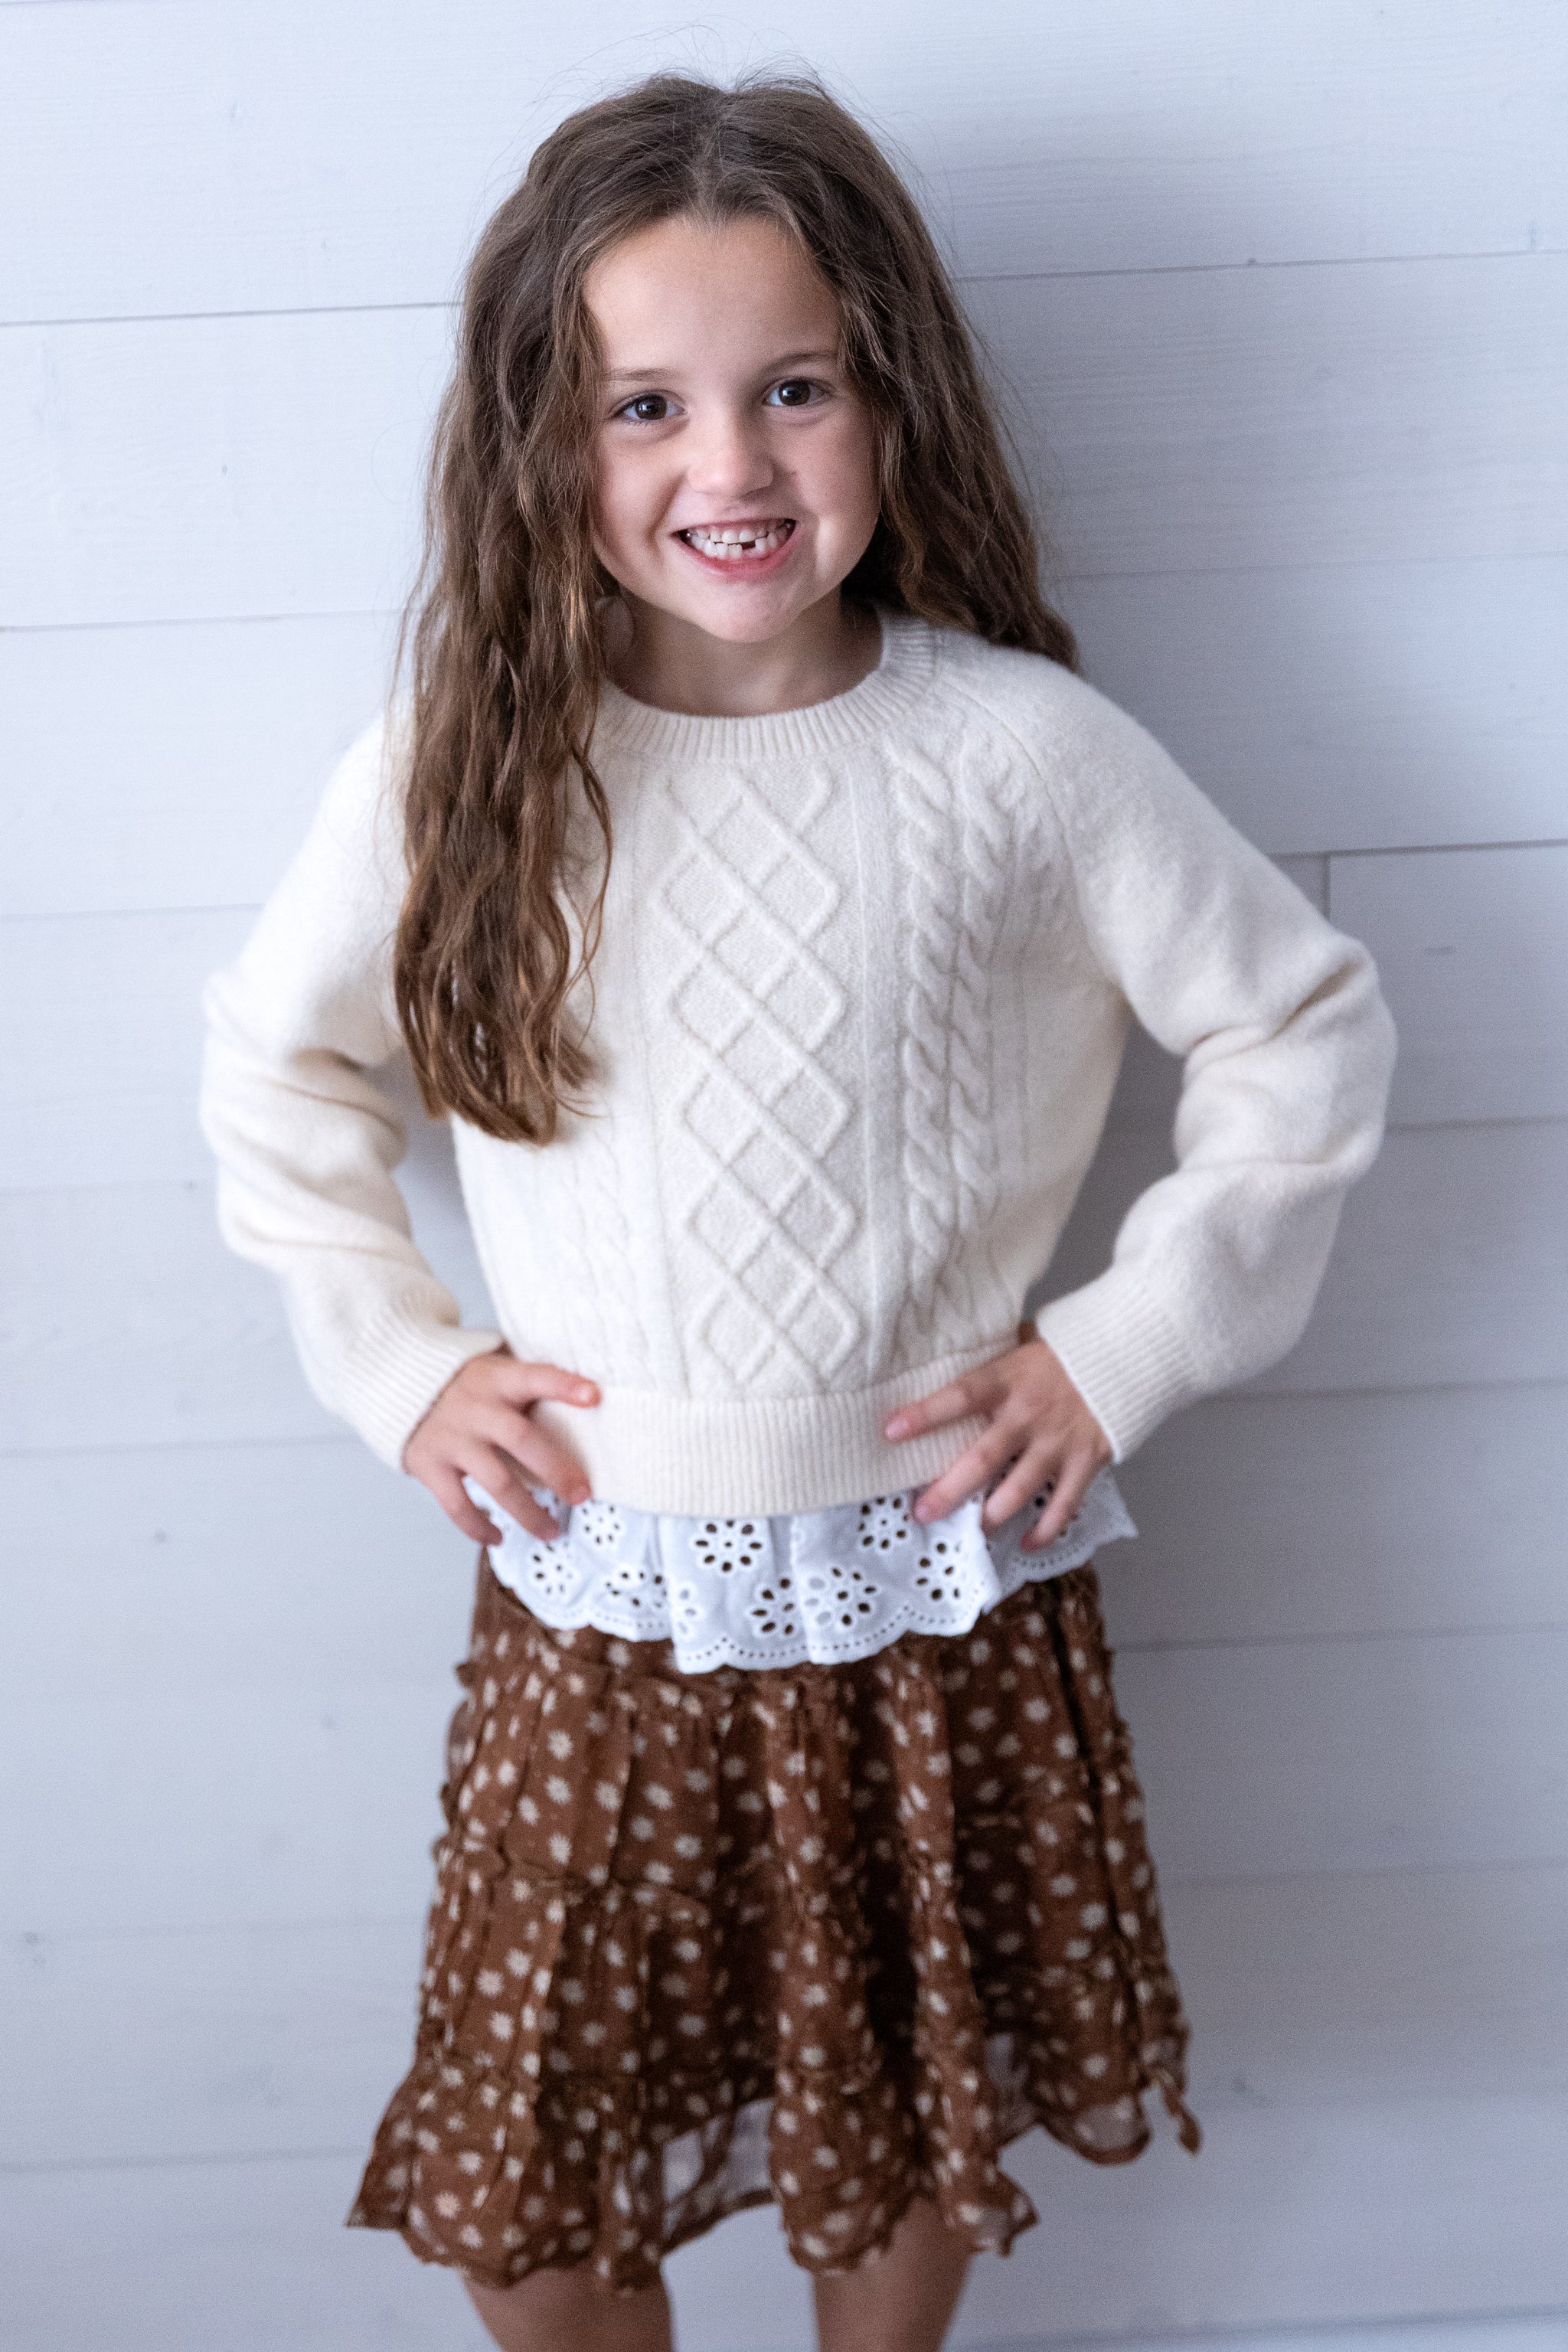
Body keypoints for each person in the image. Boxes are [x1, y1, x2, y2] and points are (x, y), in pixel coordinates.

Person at [198, 68, 1397, 2352]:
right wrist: (401, 1358)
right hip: (600, 1595)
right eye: (644, 405)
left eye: (794, 390)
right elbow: (282, 1065)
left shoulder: (1020, 753)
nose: (728, 467)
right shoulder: (477, 756)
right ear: (545, 440)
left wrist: (1123, 1347)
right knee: (532, 2208)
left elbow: (1303, 1026)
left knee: (900, 2137)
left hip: (932, 1587)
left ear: (891, 398)